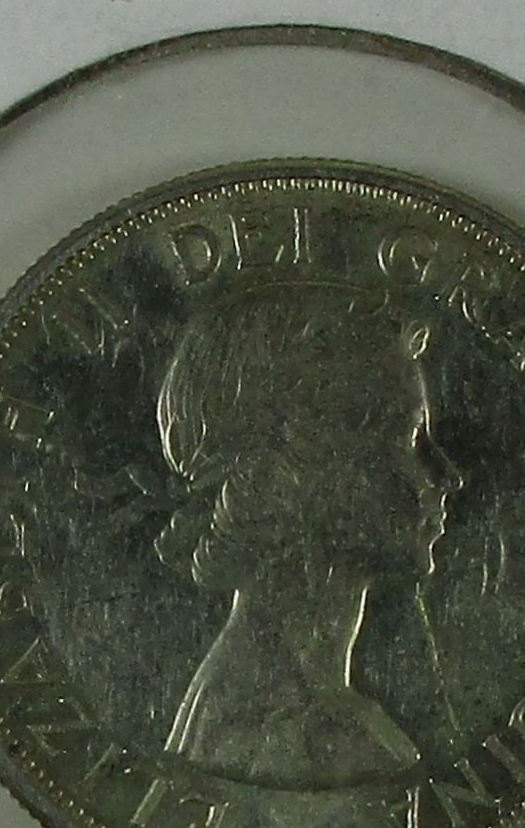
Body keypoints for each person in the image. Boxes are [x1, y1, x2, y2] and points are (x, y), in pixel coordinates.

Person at [154, 282, 462, 791]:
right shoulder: (311, 740)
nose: (447, 476)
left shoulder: (250, 703)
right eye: (409, 439)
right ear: (300, 473)